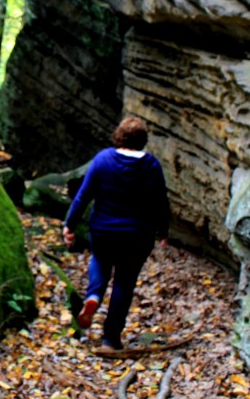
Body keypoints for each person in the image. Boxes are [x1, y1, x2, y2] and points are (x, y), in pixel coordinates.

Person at [63, 116, 170, 351]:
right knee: (124, 282)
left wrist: (69, 224)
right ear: (142, 140)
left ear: (118, 136)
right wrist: (163, 231)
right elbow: (160, 202)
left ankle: (93, 297)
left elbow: (83, 196)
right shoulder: (151, 166)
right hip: (137, 236)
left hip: (104, 231)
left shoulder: (103, 160)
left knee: (100, 261)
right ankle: (110, 339)